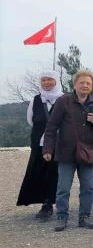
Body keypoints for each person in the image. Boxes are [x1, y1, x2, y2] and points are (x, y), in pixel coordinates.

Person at [43, 69, 93, 231]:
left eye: (88, 83)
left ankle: (84, 216)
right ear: (75, 84)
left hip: (88, 151)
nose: (85, 85)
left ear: (92, 86)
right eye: (82, 82)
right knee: (63, 187)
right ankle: (62, 216)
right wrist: (48, 149)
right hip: (66, 151)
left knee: (89, 187)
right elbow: (52, 126)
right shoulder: (64, 101)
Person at [16, 70, 62, 219]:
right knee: (40, 173)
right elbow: (31, 120)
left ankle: (56, 202)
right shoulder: (36, 100)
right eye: (44, 80)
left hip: (59, 144)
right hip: (39, 144)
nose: (46, 83)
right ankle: (45, 203)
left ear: (56, 81)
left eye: (50, 80)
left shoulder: (64, 99)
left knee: (56, 174)